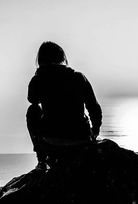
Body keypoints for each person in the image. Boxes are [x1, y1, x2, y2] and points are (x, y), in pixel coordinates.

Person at [26, 41, 102, 169]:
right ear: (62, 57)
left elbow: (32, 99)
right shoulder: (78, 77)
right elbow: (94, 107)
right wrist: (95, 132)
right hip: (81, 138)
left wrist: (39, 75)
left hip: (52, 141)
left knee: (33, 110)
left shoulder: (39, 80)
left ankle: (42, 161)